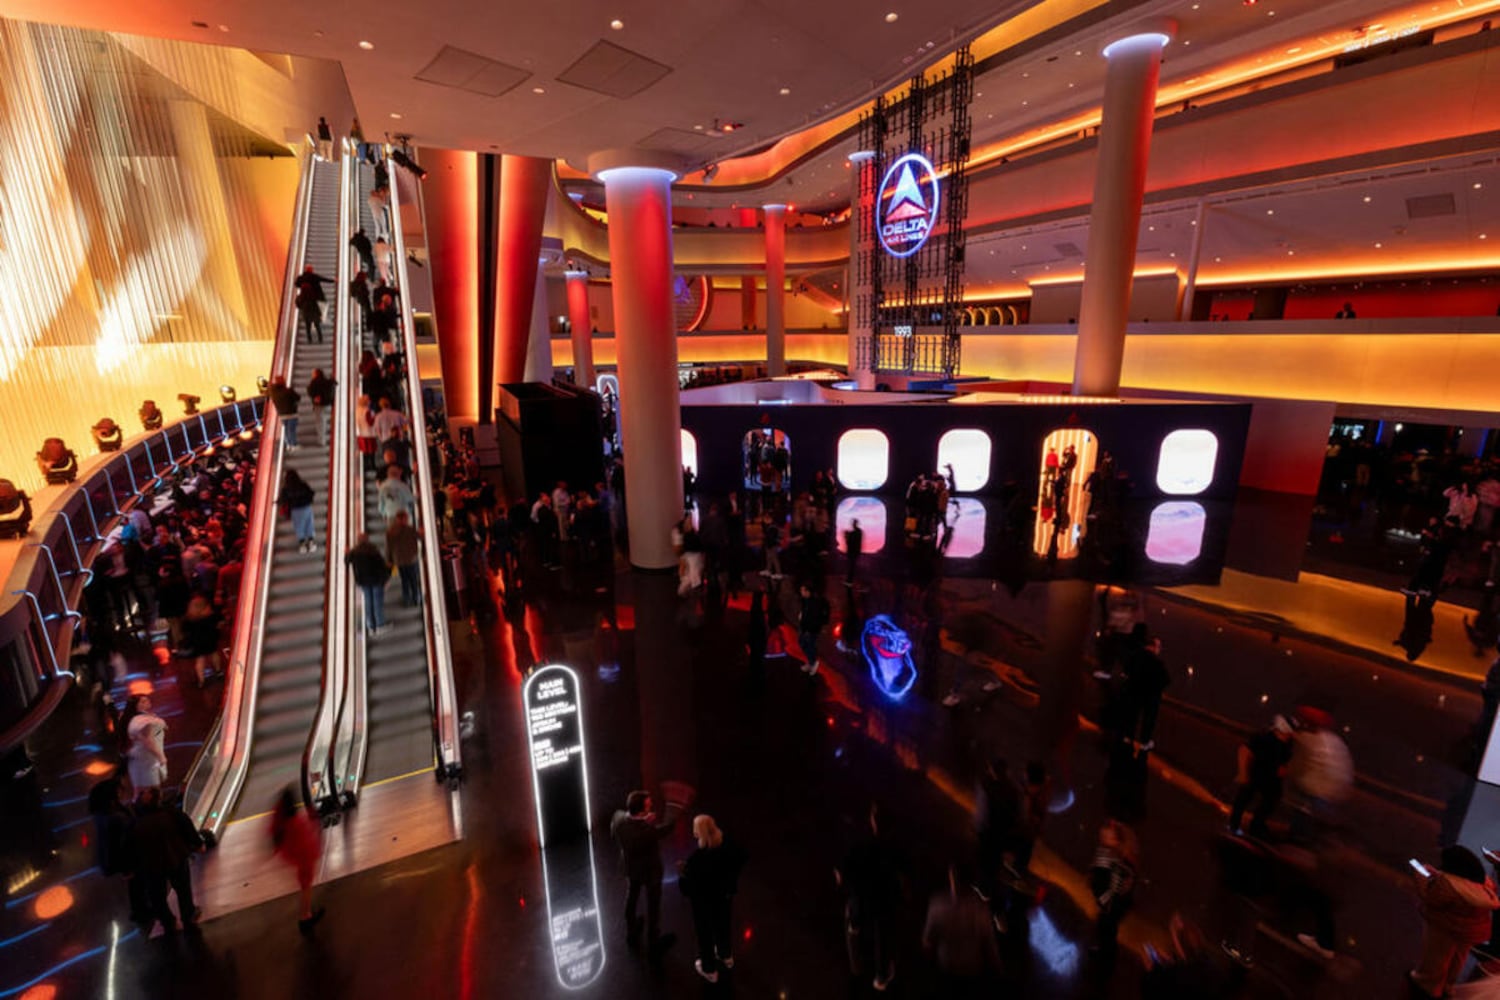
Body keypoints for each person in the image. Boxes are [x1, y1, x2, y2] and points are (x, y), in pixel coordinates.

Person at [1410, 846, 1499, 997]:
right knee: (1457, 959)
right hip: (1469, 932)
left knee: (1437, 959)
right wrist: (1439, 874)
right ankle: (1448, 986)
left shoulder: (1449, 885)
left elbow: (1431, 898)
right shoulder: (1485, 884)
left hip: (1446, 927)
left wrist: (1421, 878)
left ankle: (1428, 988)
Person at [836, 801, 902, 992]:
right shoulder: (893, 849)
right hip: (882, 901)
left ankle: (856, 968)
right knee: (882, 935)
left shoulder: (862, 844)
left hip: (861, 900)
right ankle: (881, 976)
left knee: (853, 926)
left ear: (873, 820)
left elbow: (844, 871)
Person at [610, 790, 681, 958]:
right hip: (650, 872)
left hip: (631, 868)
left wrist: (643, 821)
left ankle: (631, 932)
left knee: (632, 897)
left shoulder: (618, 818)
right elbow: (666, 829)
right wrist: (674, 809)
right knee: (653, 906)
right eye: (648, 806)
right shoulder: (647, 832)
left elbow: (619, 829)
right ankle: (653, 943)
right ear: (641, 811)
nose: (651, 807)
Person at [678, 815, 747, 983]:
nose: (693, 833)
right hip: (724, 898)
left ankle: (709, 970)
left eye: (695, 830)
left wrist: (682, 873)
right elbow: (743, 856)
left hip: (704, 904)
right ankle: (725, 955)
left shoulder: (697, 859)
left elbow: (687, 889)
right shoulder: (728, 844)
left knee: (705, 934)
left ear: (700, 833)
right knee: (723, 925)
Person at [129, 786, 203, 935]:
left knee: (157, 895)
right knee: (183, 889)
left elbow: (129, 848)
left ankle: (167, 921)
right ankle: (188, 914)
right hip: (176, 858)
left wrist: (130, 868)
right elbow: (188, 829)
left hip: (151, 866)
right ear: (159, 800)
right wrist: (198, 845)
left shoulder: (136, 824)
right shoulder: (172, 814)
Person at [923, 865, 1001, 997]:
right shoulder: (979, 906)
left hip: (947, 966)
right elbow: (989, 942)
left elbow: (927, 940)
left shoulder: (938, 903)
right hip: (971, 968)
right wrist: (997, 968)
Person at [90, 773, 151, 927]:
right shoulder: (116, 818)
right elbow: (123, 844)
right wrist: (127, 869)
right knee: (137, 886)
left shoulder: (102, 813)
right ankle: (142, 912)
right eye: (119, 791)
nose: (121, 793)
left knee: (135, 887)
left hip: (125, 861)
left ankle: (139, 911)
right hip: (131, 860)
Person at [269, 788, 325, 933]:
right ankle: (305, 918)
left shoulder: (284, 820)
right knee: (306, 887)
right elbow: (306, 839)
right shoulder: (295, 822)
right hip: (304, 857)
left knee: (305, 886)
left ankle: (306, 913)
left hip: (299, 857)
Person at [1229, 715, 1294, 838]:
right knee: (1243, 799)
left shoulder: (1287, 745)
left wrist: (1282, 769)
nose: (1291, 735)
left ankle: (1257, 826)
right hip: (1255, 772)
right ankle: (1234, 826)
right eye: (1289, 732)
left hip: (1272, 778)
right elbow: (1245, 751)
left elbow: (1284, 761)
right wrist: (1243, 774)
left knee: (1271, 800)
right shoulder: (1264, 738)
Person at [1090, 818, 1139, 963]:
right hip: (1111, 904)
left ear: (1117, 841)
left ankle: (1106, 956)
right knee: (1104, 927)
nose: (1103, 839)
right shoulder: (1111, 855)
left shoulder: (1120, 862)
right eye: (1102, 836)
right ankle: (1103, 950)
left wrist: (1104, 902)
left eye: (1107, 837)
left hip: (1113, 905)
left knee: (1107, 929)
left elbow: (1116, 887)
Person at [345, 532, 391, 635]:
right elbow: (382, 567)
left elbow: (347, 561)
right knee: (377, 602)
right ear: (367, 540)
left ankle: (370, 626)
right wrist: (386, 579)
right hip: (376, 581)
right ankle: (380, 624)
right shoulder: (373, 550)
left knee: (368, 603)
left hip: (363, 582)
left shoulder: (354, 552)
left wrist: (347, 553)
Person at [126, 695, 168, 791]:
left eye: (146, 700)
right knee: (152, 787)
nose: (148, 701)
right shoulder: (142, 721)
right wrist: (161, 757)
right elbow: (147, 741)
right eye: (143, 701)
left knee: (147, 786)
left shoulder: (144, 717)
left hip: (146, 755)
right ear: (136, 706)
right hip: (147, 756)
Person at [385, 510, 422, 607]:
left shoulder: (390, 532)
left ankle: (407, 599)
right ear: (405, 519)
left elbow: (389, 548)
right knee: (414, 580)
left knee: (405, 580)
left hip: (399, 561)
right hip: (411, 559)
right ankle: (416, 598)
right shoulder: (410, 530)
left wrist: (389, 560)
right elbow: (420, 537)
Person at [279, 469, 317, 553]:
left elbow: (283, 500)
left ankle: (302, 545)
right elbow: (311, 493)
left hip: (296, 510)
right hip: (306, 507)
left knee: (299, 527)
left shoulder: (286, 489)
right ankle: (311, 543)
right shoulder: (302, 485)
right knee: (309, 524)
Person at [293, 264, 332, 343]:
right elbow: (323, 279)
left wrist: (301, 308)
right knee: (317, 326)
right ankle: (320, 339)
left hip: (306, 314)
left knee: (308, 326)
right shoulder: (313, 296)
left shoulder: (302, 297)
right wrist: (333, 281)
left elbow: (298, 304)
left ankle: (309, 340)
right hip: (314, 313)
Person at [797, 581, 829, 675]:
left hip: (811, 629)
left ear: (808, 591)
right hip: (805, 627)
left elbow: (814, 618)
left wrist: (808, 629)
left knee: (809, 645)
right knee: (803, 643)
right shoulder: (805, 600)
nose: (801, 592)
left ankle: (813, 663)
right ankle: (811, 661)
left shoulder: (814, 603)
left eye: (803, 590)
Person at [267, 377, 301, 451]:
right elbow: (298, 398)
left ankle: (288, 444)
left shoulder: (273, 393)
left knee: (286, 430)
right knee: (291, 430)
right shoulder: (288, 391)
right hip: (291, 413)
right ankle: (294, 444)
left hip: (282, 414)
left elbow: (269, 388)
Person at [306, 368, 335, 446]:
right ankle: (332, 438)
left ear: (316, 374)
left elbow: (309, 391)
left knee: (320, 424)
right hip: (329, 405)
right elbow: (333, 385)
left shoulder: (314, 383)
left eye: (313, 374)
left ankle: (322, 441)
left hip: (319, 406)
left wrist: (315, 397)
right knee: (327, 421)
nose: (312, 375)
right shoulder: (327, 381)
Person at [844, 518, 863, 586]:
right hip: (855, 552)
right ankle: (850, 581)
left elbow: (849, 543)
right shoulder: (859, 532)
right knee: (852, 567)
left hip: (852, 553)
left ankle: (849, 582)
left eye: (853, 523)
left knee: (851, 567)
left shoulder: (854, 533)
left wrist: (846, 536)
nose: (852, 524)